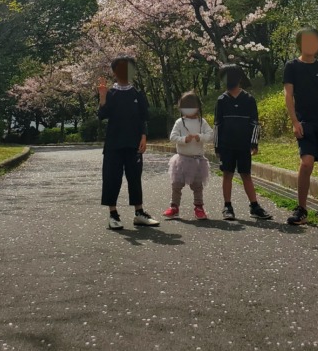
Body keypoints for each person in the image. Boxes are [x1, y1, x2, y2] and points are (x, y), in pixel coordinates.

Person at [283, 27, 318, 226]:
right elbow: (288, 95)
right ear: (299, 44)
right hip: (305, 122)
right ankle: (301, 208)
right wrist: (294, 122)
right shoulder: (291, 66)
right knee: (306, 163)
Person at [98, 55, 159, 230]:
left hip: (134, 143)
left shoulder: (137, 93)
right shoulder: (110, 93)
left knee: (135, 178)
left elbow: (143, 117)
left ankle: (139, 213)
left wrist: (144, 136)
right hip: (113, 144)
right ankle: (113, 214)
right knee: (112, 178)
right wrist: (102, 97)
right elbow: (102, 116)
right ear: (114, 72)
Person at [214, 63, 273, 221]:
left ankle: (254, 206)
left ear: (239, 78)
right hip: (226, 145)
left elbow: (254, 123)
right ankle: (227, 206)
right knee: (227, 174)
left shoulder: (248, 99)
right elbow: (217, 125)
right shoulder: (221, 100)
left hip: (243, 145)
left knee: (246, 174)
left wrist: (254, 144)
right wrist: (217, 146)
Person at [163, 92, 214, 221]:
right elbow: (173, 137)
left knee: (197, 186)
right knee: (176, 185)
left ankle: (199, 208)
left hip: (197, 160)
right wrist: (183, 139)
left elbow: (211, 135)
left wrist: (200, 137)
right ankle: (174, 207)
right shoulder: (179, 122)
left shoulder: (202, 122)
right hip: (181, 159)